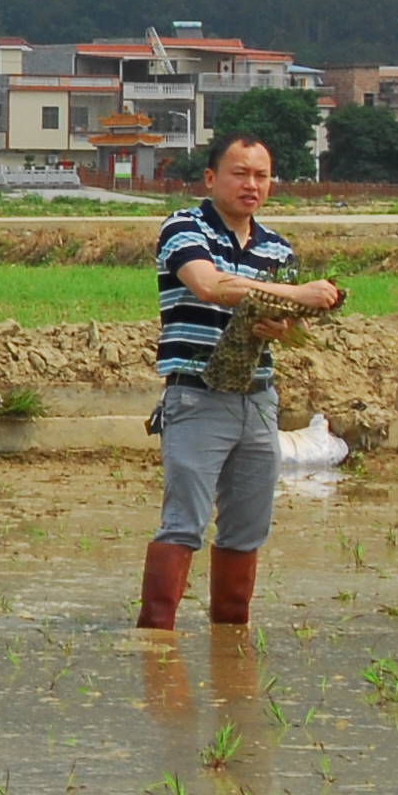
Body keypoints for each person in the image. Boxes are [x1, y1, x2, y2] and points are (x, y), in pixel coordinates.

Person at [137, 131, 343, 631]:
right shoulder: (185, 227)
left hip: (257, 399)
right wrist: (295, 293)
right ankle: (155, 636)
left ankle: (230, 640)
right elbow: (210, 285)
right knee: (184, 521)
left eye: (261, 175)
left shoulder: (276, 248)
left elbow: (283, 327)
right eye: (240, 173)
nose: (252, 185)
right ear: (211, 178)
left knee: (247, 528)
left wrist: (282, 324)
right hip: (196, 395)